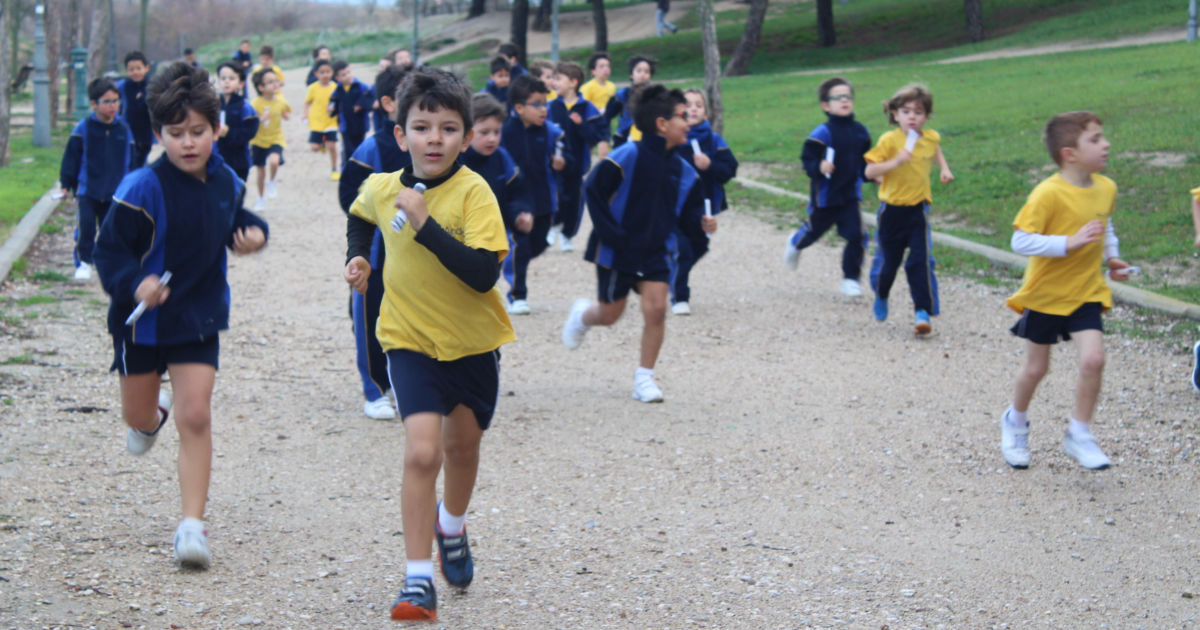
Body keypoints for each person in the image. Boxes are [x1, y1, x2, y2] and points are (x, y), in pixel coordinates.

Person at [342, 67, 515, 621]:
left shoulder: (475, 194)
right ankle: (417, 580)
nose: (434, 138)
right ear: (401, 136)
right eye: (421, 127)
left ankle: (453, 525)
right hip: (407, 340)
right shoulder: (382, 186)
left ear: (466, 137)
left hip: (472, 345)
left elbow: (483, 274)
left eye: (447, 128)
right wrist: (360, 255)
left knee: (463, 449)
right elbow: (358, 210)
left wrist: (424, 227)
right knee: (423, 451)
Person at [92, 62, 269, 569]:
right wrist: (135, 284)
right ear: (158, 134)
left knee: (197, 415)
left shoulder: (227, 180)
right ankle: (153, 416)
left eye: (198, 132)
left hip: (198, 314)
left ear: (217, 130)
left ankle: (192, 526)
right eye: (176, 134)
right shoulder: (141, 187)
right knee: (138, 419)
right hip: (140, 320)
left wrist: (256, 234)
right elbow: (110, 253)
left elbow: (237, 219)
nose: (188, 143)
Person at [561, 85, 716, 402]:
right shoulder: (627, 155)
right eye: (682, 117)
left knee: (657, 309)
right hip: (617, 249)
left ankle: (644, 378)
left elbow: (687, 215)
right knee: (610, 315)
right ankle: (583, 316)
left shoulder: (683, 170)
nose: (689, 123)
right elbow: (593, 189)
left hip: (656, 251)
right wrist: (611, 235)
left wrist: (703, 225)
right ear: (662, 124)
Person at [999, 110, 1133, 471]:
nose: (1106, 144)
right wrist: (1067, 243)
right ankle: (1015, 422)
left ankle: (1080, 433)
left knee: (1093, 359)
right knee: (1036, 369)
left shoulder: (1107, 188)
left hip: (1087, 291)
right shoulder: (1047, 193)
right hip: (1046, 295)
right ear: (1069, 154)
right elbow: (1020, 240)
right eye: (1095, 139)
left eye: (1102, 136)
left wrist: (1113, 258)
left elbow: (1105, 226)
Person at [337, 64, 412, 421]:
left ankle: (403, 380)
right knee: (369, 320)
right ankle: (374, 388)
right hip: (377, 256)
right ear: (387, 103)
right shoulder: (372, 148)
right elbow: (348, 197)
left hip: (417, 256)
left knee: (409, 318)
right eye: (408, 95)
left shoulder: (428, 143)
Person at [864, 83, 954, 335]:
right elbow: (869, 171)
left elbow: (935, 148)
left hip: (918, 210)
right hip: (891, 211)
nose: (912, 117)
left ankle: (922, 312)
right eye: (906, 111)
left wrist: (944, 169)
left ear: (926, 116)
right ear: (894, 114)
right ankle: (881, 294)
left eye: (918, 112)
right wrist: (895, 161)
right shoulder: (889, 140)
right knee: (889, 264)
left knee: (919, 261)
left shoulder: (930, 137)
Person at [783, 77, 871, 298]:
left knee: (857, 236)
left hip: (850, 195)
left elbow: (865, 162)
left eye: (848, 96)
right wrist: (819, 165)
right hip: (826, 196)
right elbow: (807, 158)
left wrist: (872, 175)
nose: (844, 100)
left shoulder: (861, 132)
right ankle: (795, 243)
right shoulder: (822, 132)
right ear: (826, 105)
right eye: (838, 97)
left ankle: (850, 279)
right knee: (813, 233)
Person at [500, 74, 565, 315]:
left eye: (545, 103)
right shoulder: (505, 132)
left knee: (537, 245)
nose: (543, 110)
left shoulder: (548, 132)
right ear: (519, 107)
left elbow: (561, 147)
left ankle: (507, 262)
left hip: (543, 199)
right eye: (536, 104)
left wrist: (561, 160)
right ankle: (518, 294)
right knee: (521, 244)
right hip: (516, 200)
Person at [671, 88, 738, 314]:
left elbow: (730, 169)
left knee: (699, 246)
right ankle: (680, 295)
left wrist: (710, 165)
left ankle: (669, 274)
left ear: (706, 114)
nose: (693, 109)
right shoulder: (671, 139)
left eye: (698, 105)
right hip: (672, 206)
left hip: (702, 205)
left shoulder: (713, 140)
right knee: (683, 249)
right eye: (687, 105)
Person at [60, 77, 135, 281]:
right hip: (88, 189)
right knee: (86, 228)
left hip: (115, 191)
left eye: (116, 101)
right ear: (94, 104)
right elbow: (71, 157)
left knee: (111, 231)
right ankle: (84, 262)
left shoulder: (124, 130)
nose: (113, 106)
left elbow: (132, 161)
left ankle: (111, 264)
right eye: (107, 101)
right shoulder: (83, 128)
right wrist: (66, 184)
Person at [547, 61, 606, 253]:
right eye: (553, 79)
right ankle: (553, 226)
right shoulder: (550, 107)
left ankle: (567, 235)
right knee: (555, 196)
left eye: (559, 79)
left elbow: (597, 135)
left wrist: (582, 125)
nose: (554, 83)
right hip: (553, 164)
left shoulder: (587, 108)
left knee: (574, 200)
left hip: (578, 164)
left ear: (573, 82)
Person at [248, 68, 291, 211]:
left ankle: (272, 181)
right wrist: (260, 119)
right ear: (261, 87)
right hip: (258, 141)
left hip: (276, 138)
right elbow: (250, 123)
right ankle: (261, 198)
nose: (275, 84)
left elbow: (286, 112)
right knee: (260, 172)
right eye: (270, 82)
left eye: (276, 80)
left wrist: (285, 116)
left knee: (274, 161)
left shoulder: (281, 101)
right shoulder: (255, 104)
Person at [215, 61, 260, 182]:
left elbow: (250, 132)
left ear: (241, 83)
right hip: (216, 159)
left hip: (239, 161)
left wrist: (229, 132)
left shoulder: (245, 107)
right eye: (223, 78)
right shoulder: (213, 106)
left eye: (232, 78)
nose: (226, 81)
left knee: (237, 193)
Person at [329, 60, 372, 173]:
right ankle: (347, 170)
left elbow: (369, 97)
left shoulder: (361, 86)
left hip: (359, 124)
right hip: (345, 125)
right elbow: (333, 103)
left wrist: (360, 104)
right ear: (337, 78)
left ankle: (360, 169)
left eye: (349, 72)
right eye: (343, 75)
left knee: (360, 147)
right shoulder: (337, 90)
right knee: (348, 148)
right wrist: (331, 109)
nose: (348, 76)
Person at [304, 59, 340, 179]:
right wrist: (305, 114)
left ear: (332, 73)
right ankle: (322, 144)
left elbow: (340, 103)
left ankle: (334, 169)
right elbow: (307, 102)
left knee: (332, 146)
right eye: (322, 72)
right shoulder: (313, 88)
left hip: (331, 121)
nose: (325, 75)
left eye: (328, 71)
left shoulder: (335, 87)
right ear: (316, 74)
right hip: (317, 122)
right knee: (315, 148)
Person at [118, 51, 154, 168]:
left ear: (146, 68)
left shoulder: (152, 87)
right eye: (131, 69)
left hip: (148, 133)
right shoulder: (123, 87)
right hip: (129, 132)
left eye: (139, 68)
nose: (135, 72)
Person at [610, 54, 656, 148]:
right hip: (624, 137)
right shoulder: (623, 94)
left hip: (646, 136)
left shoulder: (654, 95)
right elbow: (609, 113)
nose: (643, 74)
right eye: (639, 71)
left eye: (646, 71)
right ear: (631, 74)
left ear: (650, 75)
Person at [580, 51, 616, 159]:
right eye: (601, 66)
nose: (605, 69)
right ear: (593, 71)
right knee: (587, 153)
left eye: (608, 66)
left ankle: (601, 173)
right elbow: (583, 105)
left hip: (604, 123)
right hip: (591, 123)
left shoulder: (611, 86)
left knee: (604, 153)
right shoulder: (588, 87)